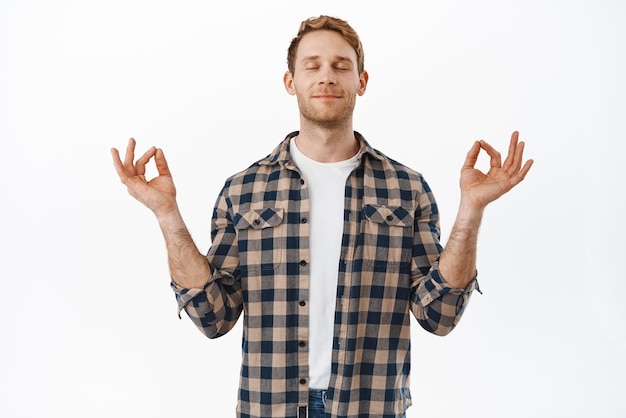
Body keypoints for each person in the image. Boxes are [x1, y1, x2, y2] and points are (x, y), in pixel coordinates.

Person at [111, 15, 532, 418]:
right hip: (267, 408)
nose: (326, 76)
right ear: (290, 82)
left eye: (340, 66)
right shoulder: (243, 191)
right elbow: (212, 316)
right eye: (312, 65)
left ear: (361, 82)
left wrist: (471, 210)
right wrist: (166, 213)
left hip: (374, 408)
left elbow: (438, 315)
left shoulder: (407, 189)